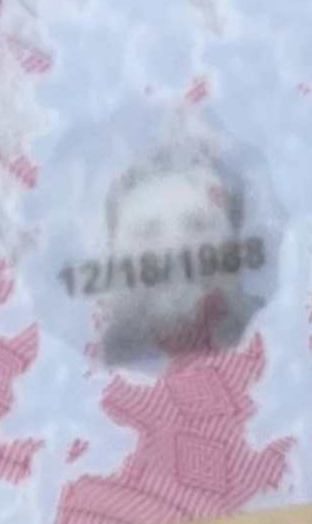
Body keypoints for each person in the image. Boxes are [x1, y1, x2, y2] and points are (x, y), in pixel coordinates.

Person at [97, 140, 266, 365]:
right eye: (147, 231)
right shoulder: (77, 365)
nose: (175, 249)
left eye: (199, 225)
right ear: (112, 246)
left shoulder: (283, 347)